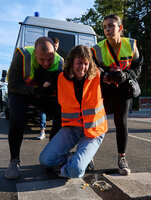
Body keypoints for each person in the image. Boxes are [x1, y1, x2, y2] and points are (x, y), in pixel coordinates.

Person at [39, 45, 107, 178]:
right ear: (71, 63)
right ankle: (76, 159)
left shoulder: (98, 76)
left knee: (76, 170)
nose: (83, 67)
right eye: (79, 63)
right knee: (45, 160)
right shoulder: (61, 78)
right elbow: (45, 78)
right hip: (72, 128)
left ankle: (73, 166)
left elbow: (113, 80)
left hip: (93, 130)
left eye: (86, 63)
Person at [91, 14, 144, 175]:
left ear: (120, 28)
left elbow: (137, 68)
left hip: (123, 89)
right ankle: (89, 156)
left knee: (121, 122)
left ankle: (122, 158)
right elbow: (93, 69)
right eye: (105, 26)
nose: (107, 29)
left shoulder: (131, 45)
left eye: (111, 26)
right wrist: (105, 75)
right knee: (96, 122)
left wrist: (126, 75)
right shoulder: (97, 49)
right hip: (104, 89)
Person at [5, 36, 63, 180]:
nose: (46, 63)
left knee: (61, 115)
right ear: (35, 53)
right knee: (17, 119)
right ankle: (14, 161)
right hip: (21, 91)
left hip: (41, 93)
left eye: (50, 58)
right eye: (42, 59)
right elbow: (12, 85)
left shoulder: (60, 62)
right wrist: (36, 91)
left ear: (55, 51)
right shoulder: (22, 56)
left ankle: (52, 156)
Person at [36, 37, 62, 140]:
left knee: (57, 119)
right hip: (43, 95)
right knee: (42, 111)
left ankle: (53, 140)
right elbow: (41, 80)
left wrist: (50, 83)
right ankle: (42, 130)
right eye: (53, 47)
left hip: (54, 96)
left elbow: (58, 79)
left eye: (56, 47)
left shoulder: (60, 61)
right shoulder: (40, 63)